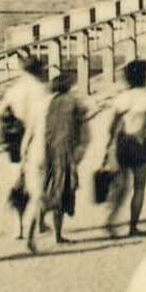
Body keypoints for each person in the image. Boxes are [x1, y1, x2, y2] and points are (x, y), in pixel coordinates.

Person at [21, 71, 89, 253]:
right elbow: (84, 136)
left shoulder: (41, 104)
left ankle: (30, 235)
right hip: (61, 153)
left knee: (39, 196)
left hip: (38, 154)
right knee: (61, 192)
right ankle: (58, 235)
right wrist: (77, 157)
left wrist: (23, 158)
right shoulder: (74, 104)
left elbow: (29, 133)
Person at [0, 54, 52, 239]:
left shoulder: (14, 90)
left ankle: (18, 227)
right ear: (40, 69)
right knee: (40, 181)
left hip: (16, 138)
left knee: (17, 181)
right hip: (38, 137)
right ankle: (39, 222)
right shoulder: (43, 90)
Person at [102, 59, 146, 238]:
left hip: (123, 143)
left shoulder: (122, 98)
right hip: (140, 142)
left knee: (120, 186)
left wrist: (108, 146)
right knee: (139, 187)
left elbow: (113, 125)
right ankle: (133, 226)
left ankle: (110, 220)